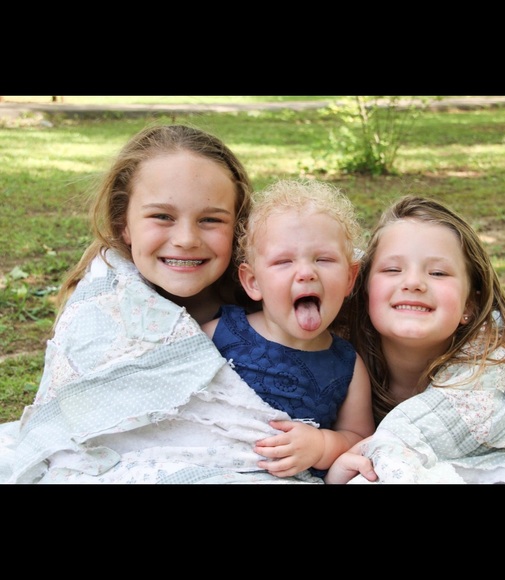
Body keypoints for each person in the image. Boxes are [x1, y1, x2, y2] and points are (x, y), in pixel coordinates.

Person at [0, 124, 325, 484]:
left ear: (238, 228)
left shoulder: (274, 295)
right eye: (162, 217)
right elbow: (72, 428)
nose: (186, 239)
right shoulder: (104, 303)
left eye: (210, 219)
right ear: (123, 224)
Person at [325, 195, 505, 484]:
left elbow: (408, 443)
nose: (413, 283)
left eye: (438, 273)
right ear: (364, 288)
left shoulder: (492, 361)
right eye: (392, 269)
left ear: (469, 305)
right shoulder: (331, 347)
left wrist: (369, 452)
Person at [202, 179, 375, 478]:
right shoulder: (218, 335)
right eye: (283, 261)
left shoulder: (347, 365)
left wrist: (321, 445)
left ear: (349, 278)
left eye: (324, 259)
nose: (306, 272)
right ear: (253, 282)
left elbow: (361, 439)